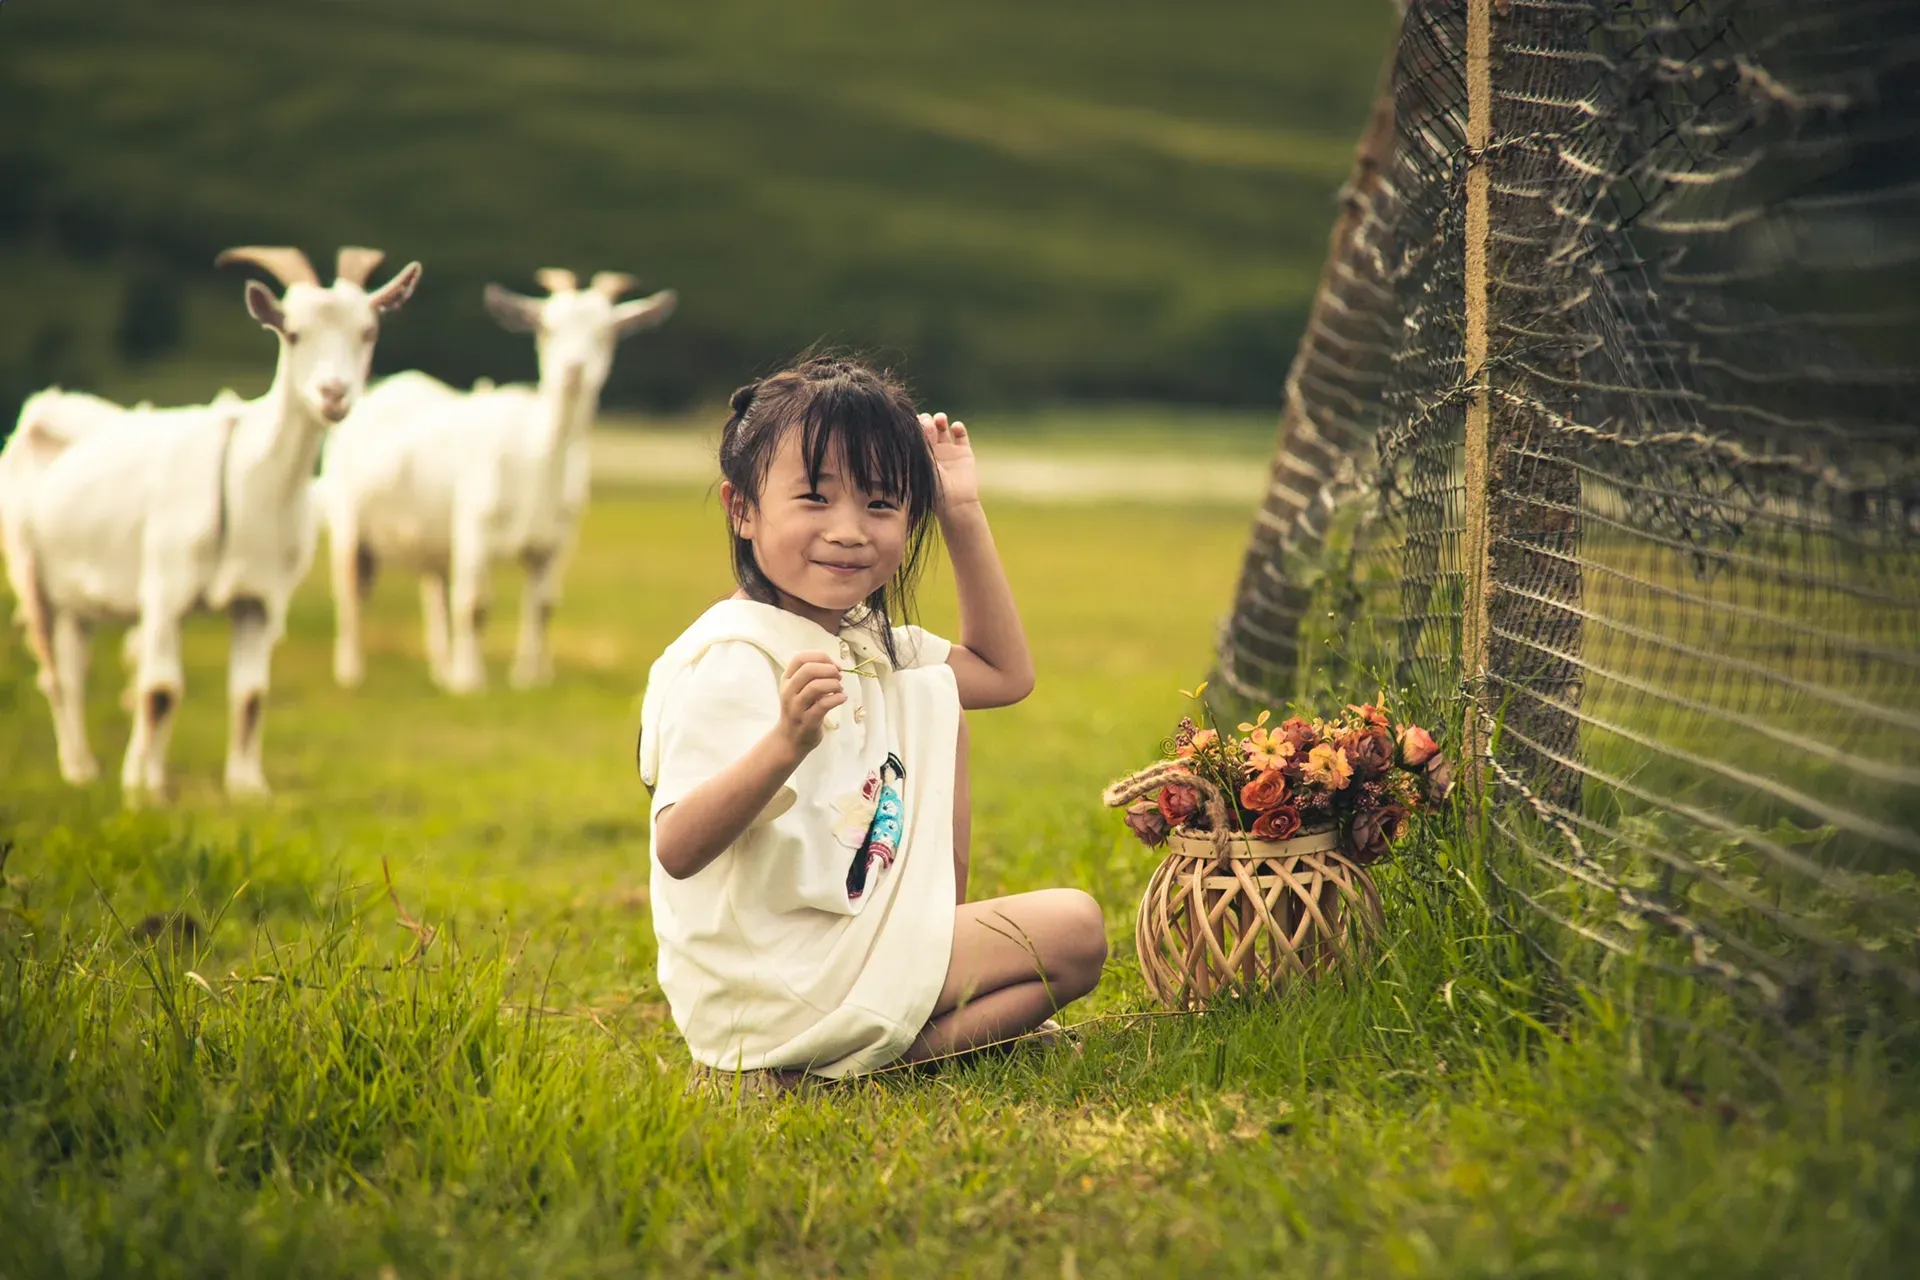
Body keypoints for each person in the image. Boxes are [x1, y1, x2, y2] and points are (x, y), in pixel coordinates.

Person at [636, 356, 1106, 1080]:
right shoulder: (731, 655)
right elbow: (678, 847)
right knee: (1073, 930)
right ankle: (840, 1060)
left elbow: (1006, 675)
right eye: (816, 499)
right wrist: (786, 742)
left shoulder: (859, 634)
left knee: (935, 700)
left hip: (848, 945)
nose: (851, 530)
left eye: (882, 504)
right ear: (743, 511)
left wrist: (963, 512)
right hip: (779, 978)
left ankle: (846, 1065)